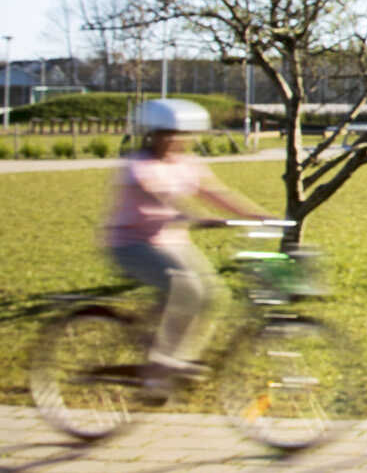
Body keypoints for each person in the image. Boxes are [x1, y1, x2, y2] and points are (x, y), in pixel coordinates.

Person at [102, 98, 267, 389]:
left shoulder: (188, 163)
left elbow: (216, 192)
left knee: (215, 295)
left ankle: (178, 361)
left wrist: (258, 214)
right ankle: (163, 364)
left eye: (181, 135)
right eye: (167, 134)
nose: (175, 141)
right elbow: (157, 195)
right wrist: (194, 215)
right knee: (188, 288)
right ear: (151, 135)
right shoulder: (138, 165)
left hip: (173, 242)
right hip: (133, 244)